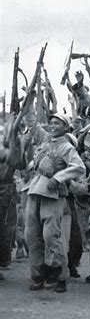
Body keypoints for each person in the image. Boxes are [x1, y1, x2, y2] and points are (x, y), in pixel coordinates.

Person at [23, 108, 86, 293]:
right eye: (51, 123)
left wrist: (58, 178)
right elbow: (32, 127)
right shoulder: (44, 142)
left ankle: (58, 275)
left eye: (57, 123)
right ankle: (37, 275)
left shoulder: (66, 147)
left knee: (52, 236)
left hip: (53, 194)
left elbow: (79, 167)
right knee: (31, 236)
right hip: (34, 191)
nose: (52, 126)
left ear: (65, 127)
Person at [0, 116, 27, 270]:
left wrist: (16, 142)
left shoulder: (12, 147)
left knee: (5, 229)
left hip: (6, 193)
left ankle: (3, 260)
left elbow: (20, 164)